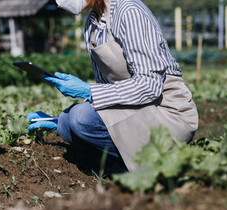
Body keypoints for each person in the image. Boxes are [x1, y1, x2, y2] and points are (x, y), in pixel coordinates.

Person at [27, 0, 198, 171]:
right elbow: (107, 91)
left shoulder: (130, 12)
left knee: (81, 117)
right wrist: (60, 122)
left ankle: (143, 163)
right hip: (134, 108)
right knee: (71, 120)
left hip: (165, 111)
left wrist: (88, 90)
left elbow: (149, 85)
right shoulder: (93, 23)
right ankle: (124, 159)